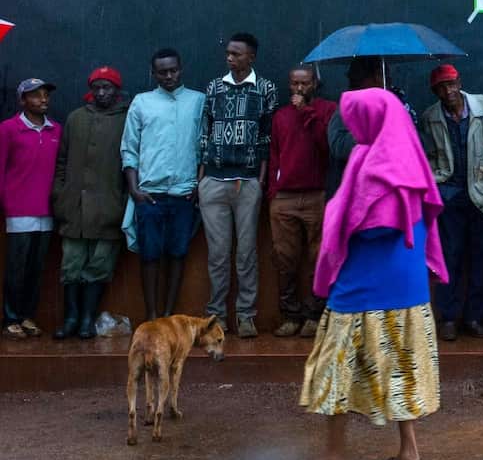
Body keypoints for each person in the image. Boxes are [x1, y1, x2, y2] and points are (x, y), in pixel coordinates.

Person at [286, 88, 447, 460]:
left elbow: (375, 224)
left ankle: (333, 458)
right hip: (406, 287)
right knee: (399, 366)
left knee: (334, 368)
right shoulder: (410, 156)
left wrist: (337, 226)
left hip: (364, 286)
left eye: (353, 116)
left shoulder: (372, 160)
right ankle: (408, 454)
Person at [198, 32, 279, 337]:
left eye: (236, 54)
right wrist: (202, 177)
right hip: (214, 182)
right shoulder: (214, 88)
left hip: (246, 183)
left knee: (246, 253)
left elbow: (268, 137)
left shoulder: (266, 89)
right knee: (218, 255)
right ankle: (216, 316)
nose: (230, 58)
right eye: (228, 53)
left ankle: (246, 314)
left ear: (251, 58)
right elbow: (205, 132)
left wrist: (259, 179)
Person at [420, 64, 483, 341]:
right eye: (443, 87)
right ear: (435, 92)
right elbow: (426, 156)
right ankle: (449, 319)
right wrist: (437, 185)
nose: (449, 91)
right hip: (450, 195)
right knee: (448, 257)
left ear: (460, 82)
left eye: (452, 84)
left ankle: (476, 317)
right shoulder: (430, 117)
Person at [122, 48, 204, 321]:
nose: (169, 76)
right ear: (153, 73)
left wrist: (199, 184)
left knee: (178, 253)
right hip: (149, 195)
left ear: (181, 69)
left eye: (173, 70)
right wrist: (134, 189)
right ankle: (152, 316)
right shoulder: (141, 102)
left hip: (184, 194)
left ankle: (169, 315)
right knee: (150, 256)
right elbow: (129, 149)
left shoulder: (198, 101)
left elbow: (204, 146)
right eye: (162, 72)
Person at [51, 67, 129, 339]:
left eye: (107, 87)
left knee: (99, 265)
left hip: (109, 207)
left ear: (116, 90)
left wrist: (122, 202)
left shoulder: (126, 118)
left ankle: (87, 319)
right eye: (97, 87)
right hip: (74, 208)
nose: (101, 93)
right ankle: (71, 318)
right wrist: (60, 195)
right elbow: (61, 161)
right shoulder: (76, 118)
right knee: (71, 264)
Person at [269, 64, 337, 338]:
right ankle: (290, 315)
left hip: (316, 194)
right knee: (285, 259)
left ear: (314, 85)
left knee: (318, 258)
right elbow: (274, 153)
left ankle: (314, 314)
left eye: (304, 84)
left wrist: (306, 113)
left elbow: (327, 147)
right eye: (294, 84)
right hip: (284, 197)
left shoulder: (327, 110)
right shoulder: (281, 116)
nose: (298, 89)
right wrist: (273, 192)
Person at [0, 79, 61, 339]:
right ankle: (10, 319)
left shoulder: (56, 129)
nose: (43, 99)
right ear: (23, 101)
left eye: (45, 94)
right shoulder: (8, 129)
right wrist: (6, 204)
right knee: (17, 267)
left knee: (37, 269)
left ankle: (26, 316)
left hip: (46, 212)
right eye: (35, 96)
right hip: (19, 210)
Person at [326, 56, 385, 198]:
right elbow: (338, 146)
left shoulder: (391, 104)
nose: (387, 80)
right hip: (355, 194)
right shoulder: (347, 107)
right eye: (383, 75)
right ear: (374, 77)